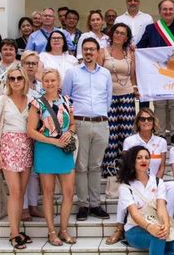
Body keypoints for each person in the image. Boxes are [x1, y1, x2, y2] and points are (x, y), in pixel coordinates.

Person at [62, 38, 112, 221]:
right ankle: (83, 204)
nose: (89, 52)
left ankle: (95, 204)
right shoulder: (72, 73)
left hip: (101, 123)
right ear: (82, 52)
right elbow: (66, 99)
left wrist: (100, 115)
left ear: (98, 52)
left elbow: (108, 98)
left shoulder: (105, 74)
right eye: (86, 49)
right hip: (80, 123)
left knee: (96, 165)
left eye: (92, 49)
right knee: (81, 165)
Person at [0, 65, 33, 249]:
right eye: (12, 78)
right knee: (14, 191)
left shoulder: (31, 99)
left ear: (24, 81)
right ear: (7, 81)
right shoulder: (2, 100)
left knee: (21, 191)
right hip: (8, 145)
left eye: (19, 78)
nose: (15, 81)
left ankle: (17, 229)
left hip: (26, 146)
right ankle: (13, 233)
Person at [117, 145, 174, 255]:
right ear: (132, 161)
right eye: (139, 157)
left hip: (157, 224)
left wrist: (166, 225)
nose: (144, 160)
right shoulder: (125, 186)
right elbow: (134, 214)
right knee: (158, 237)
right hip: (135, 229)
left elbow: (161, 208)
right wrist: (149, 227)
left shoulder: (157, 182)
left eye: (147, 157)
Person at [137, 0, 174, 142]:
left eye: (171, 9)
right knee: (159, 104)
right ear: (160, 11)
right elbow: (140, 47)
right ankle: (160, 134)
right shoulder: (151, 29)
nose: (168, 12)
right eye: (165, 9)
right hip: (158, 73)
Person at [100, 23, 137, 183]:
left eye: (123, 33)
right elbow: (98, 72)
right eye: (117, 32)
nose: (119, 35)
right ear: (112, 34)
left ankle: (126, 167)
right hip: (108, 97)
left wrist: (135, 88)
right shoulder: (103, 52)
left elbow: (133, 74)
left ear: (127, 37)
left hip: (127, 94)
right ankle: (109, 167)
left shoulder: (130, 53)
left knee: (127, 133)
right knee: (111, 133)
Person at [20, 51, 43, 221]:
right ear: (22, 65)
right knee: (23, 171)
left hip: (39, 133)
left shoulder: (42, 85)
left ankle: (34, 205)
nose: (30, 66)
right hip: (20, 132)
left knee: (35, 172)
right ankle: (23, 207)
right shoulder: (17, 83)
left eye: (34, 63)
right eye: (28, 63)